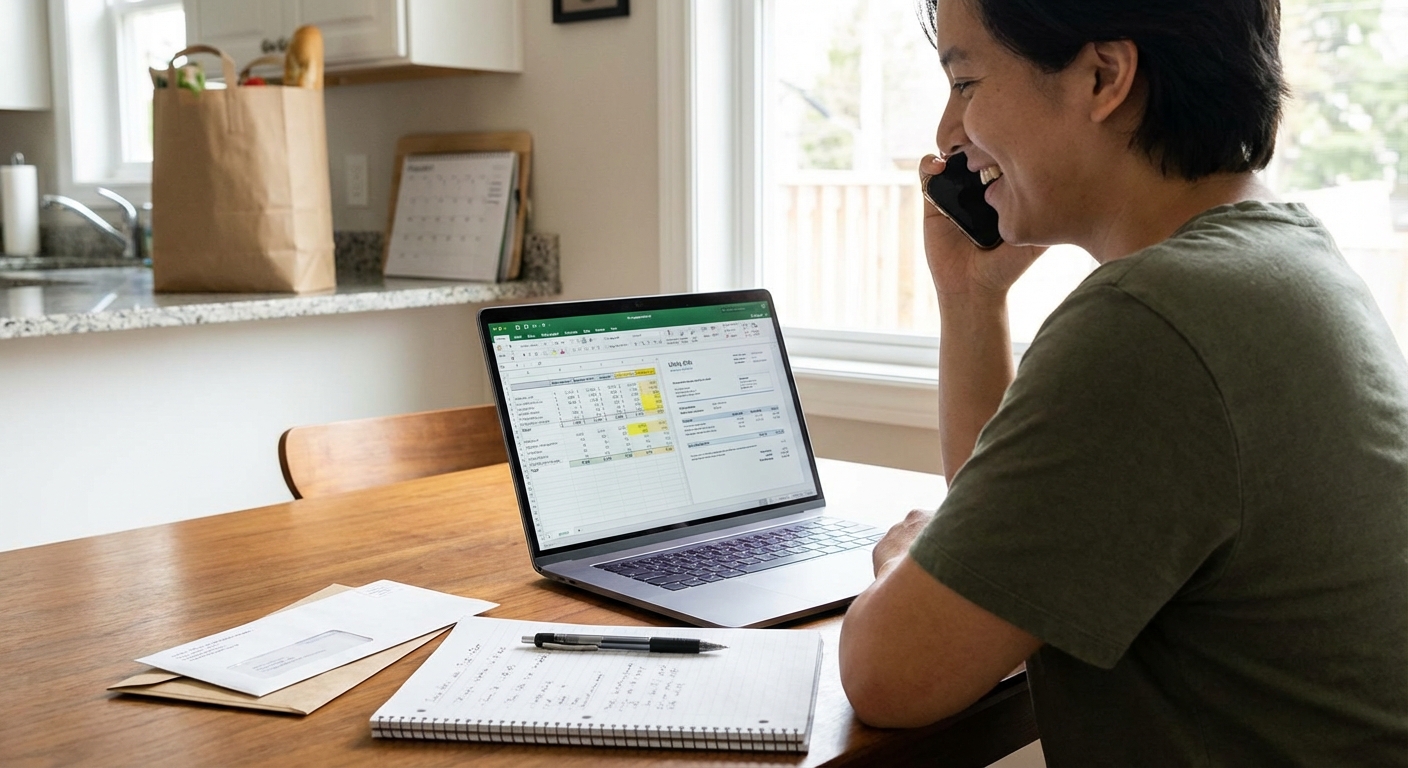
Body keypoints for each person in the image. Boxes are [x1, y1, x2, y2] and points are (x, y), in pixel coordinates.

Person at [836, 0, 1408, 764]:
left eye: (966, 82)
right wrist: (972, 301)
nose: (947, 132)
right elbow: (1009, 563)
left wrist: (906, 555)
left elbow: (890, 675)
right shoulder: (1280, 262)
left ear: (1105, 77)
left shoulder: (1152, 323)